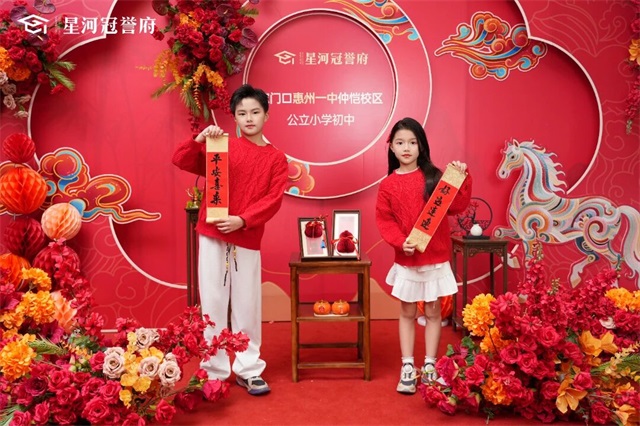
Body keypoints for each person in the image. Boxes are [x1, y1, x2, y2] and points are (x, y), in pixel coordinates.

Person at [172, 84, 288, 395]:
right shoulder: (221, 147)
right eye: (242, 113)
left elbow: (273, 199)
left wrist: (243, 220)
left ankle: (249, 369)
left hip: (246, 236)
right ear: (234, 117)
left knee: (247, 304)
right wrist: (200, 139)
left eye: (255, 112)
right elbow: (181, 159)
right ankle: (214, 369)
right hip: (213, 234)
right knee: (212, 302)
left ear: (266, 115)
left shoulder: (276, 158)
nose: (249, 118)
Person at [375, 117, 472, 395]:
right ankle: (407, 365)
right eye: (400, 142)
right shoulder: (387, 185)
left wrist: (462, 177)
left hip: (434, 258)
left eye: (412, 142)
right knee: (407, 311)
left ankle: (430, 364)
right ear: (391, 147)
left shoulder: (436, 177)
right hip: (407, 258)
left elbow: (458, 206)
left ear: (421, 146)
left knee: (432, 311)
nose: (406, 148)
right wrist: (399, 241)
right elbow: (385, 220)